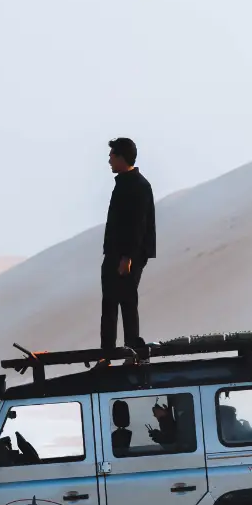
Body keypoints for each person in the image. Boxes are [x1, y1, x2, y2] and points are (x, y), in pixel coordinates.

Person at [100, 136, 155, 358]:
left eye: (112, 156)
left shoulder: (139, 186)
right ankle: (107, 353)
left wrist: (128, 257)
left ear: (122, 157)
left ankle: (132, 348)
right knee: (110, 303)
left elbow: (138, 225)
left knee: (127, 301)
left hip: (127, 256)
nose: (109, 161)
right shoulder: (124, 183)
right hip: (114, 253)